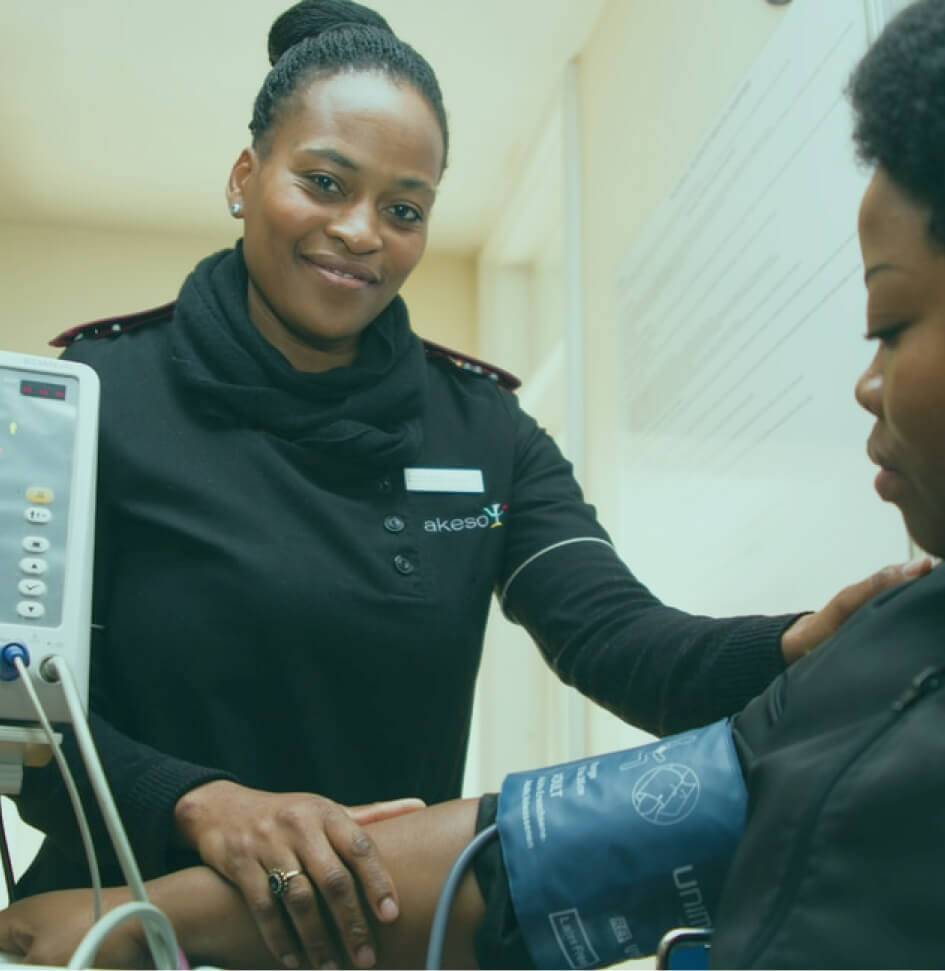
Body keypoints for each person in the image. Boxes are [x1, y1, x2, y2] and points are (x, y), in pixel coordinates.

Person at [6, 1, 926, 969]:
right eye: (324, 182)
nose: (361, 232)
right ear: (246, 177)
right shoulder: (96, 401)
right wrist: (205, 804)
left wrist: (795, 646)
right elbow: (18, 702)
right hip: (109, 929)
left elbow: (616, 637)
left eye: (404, 208)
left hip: (363, 936)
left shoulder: (481, 452)